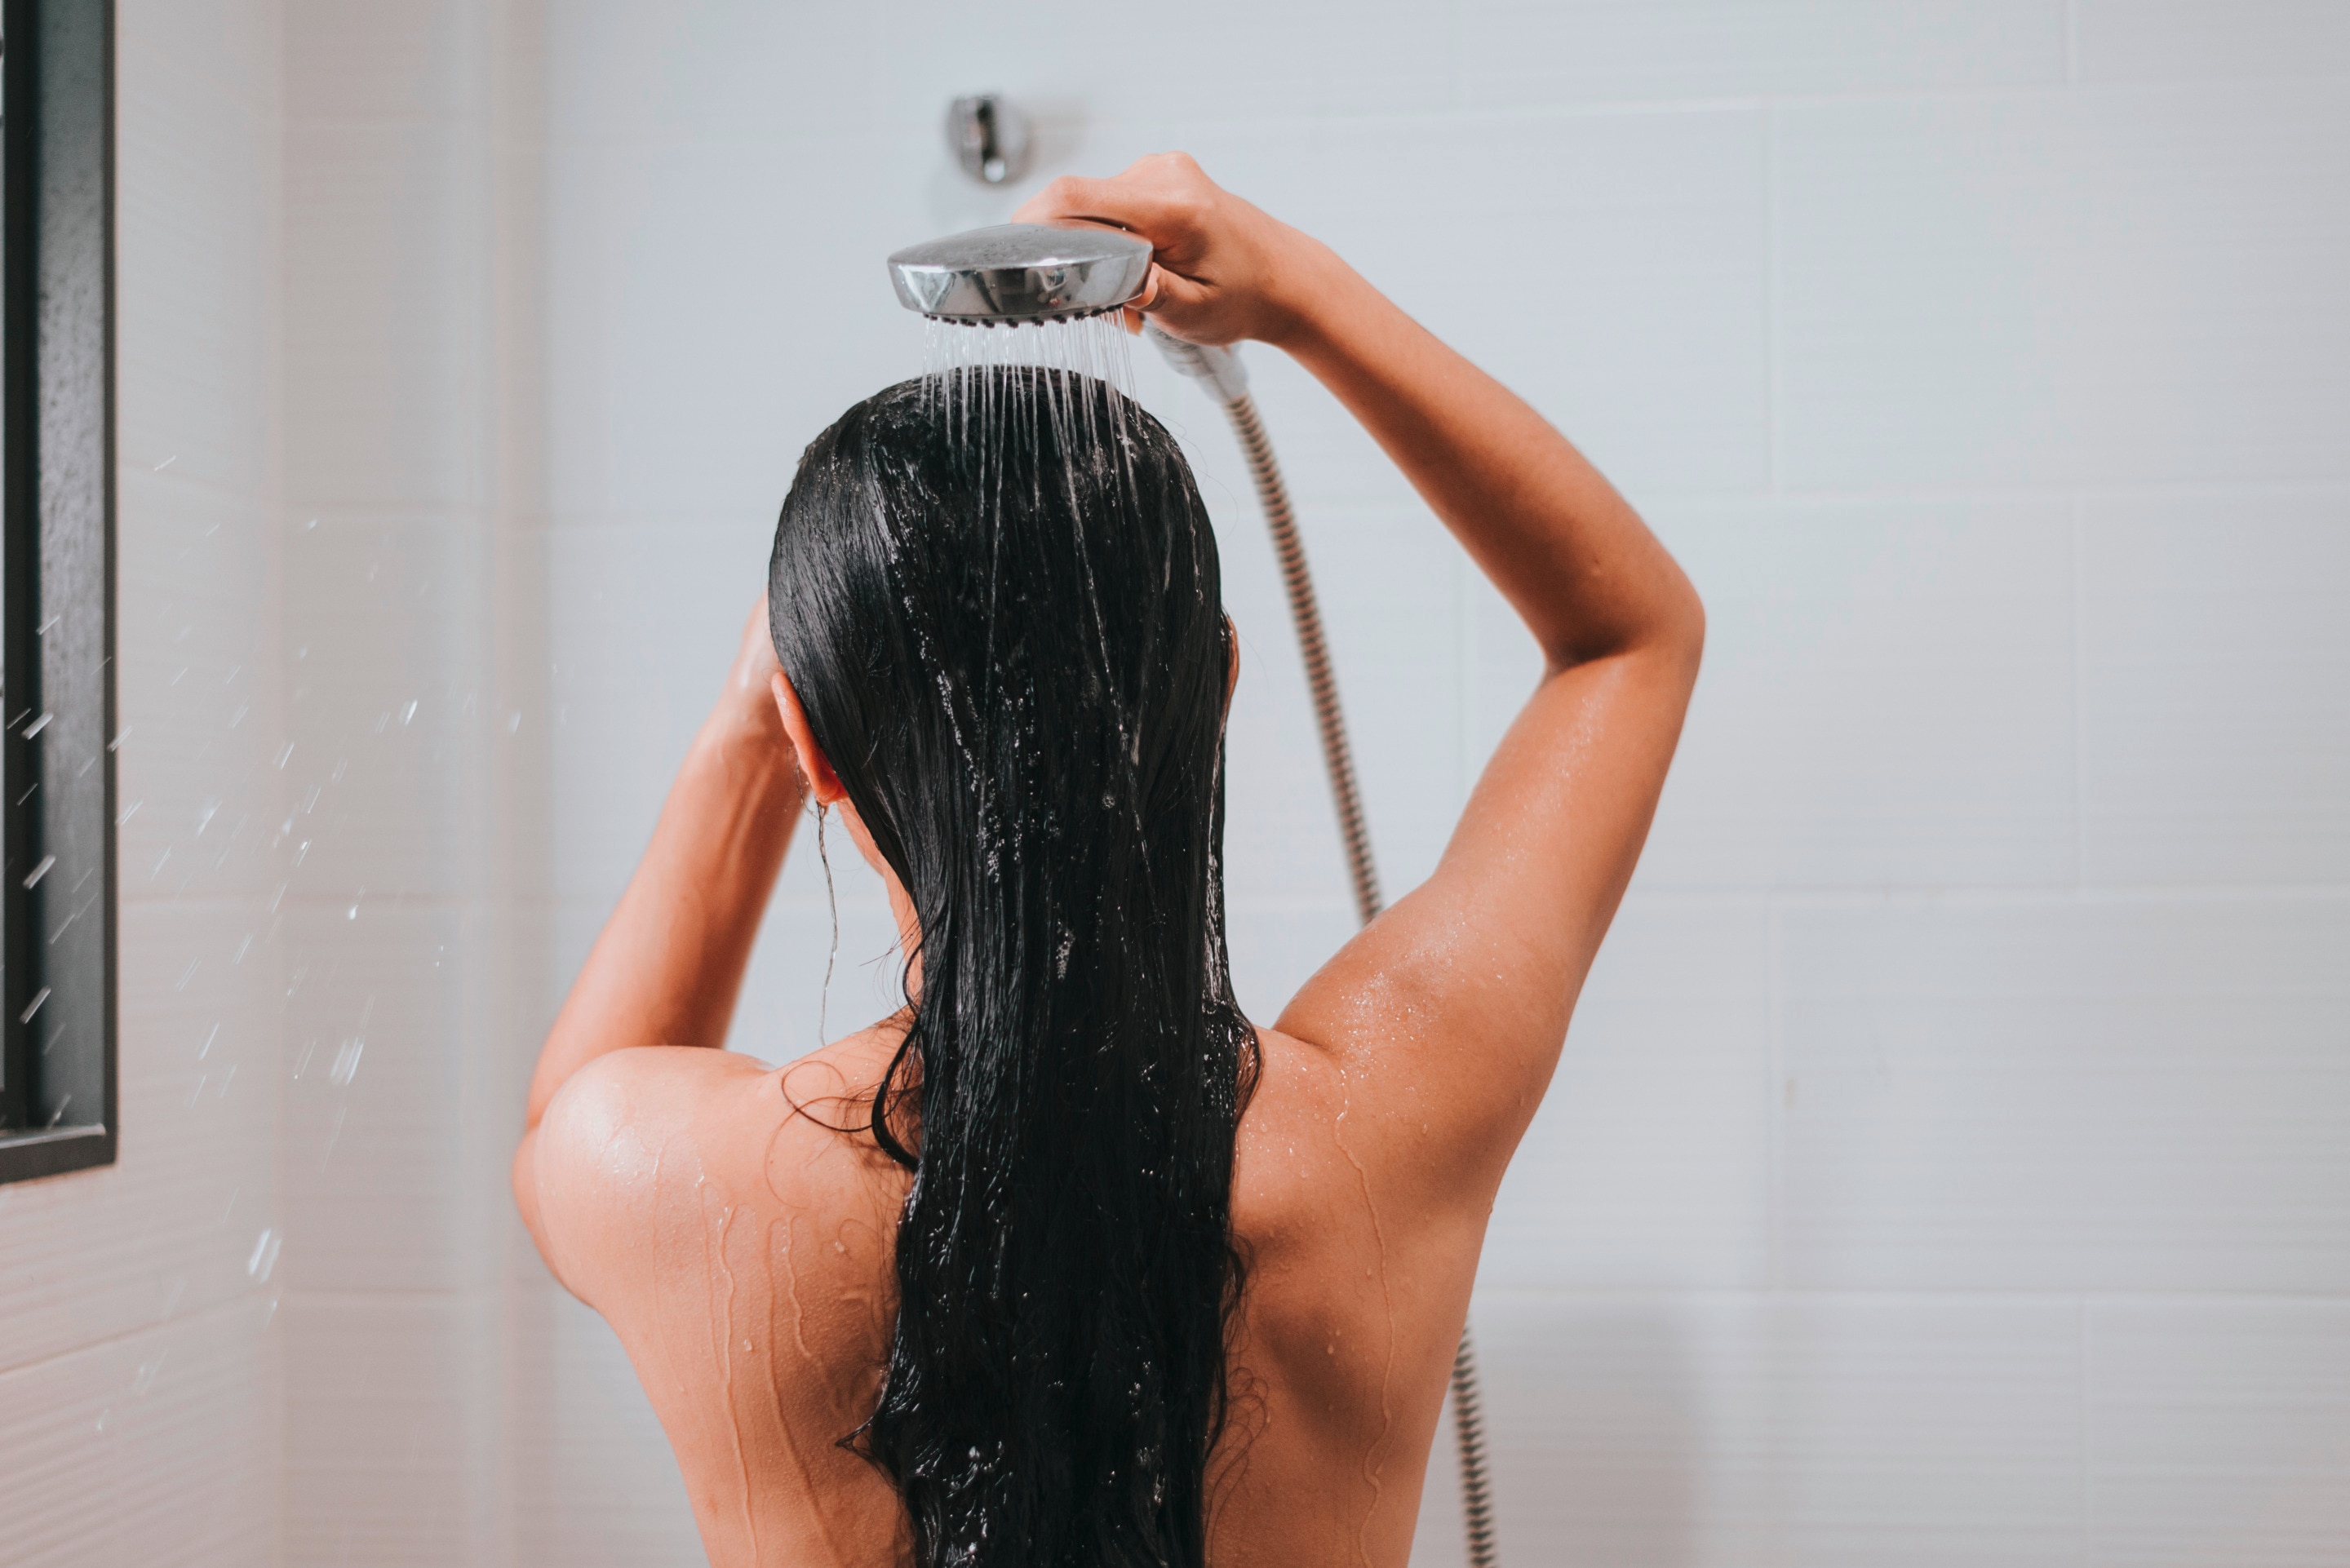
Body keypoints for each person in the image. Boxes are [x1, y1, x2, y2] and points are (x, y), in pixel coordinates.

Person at [515, 153, 1704, 1568]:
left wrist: (752, 724)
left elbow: (566, 1111)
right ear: (1220, 682)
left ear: (816, 744)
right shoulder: (1389, 1119)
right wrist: (1297, 295)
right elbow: (1629, 640)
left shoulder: (681, 1188)